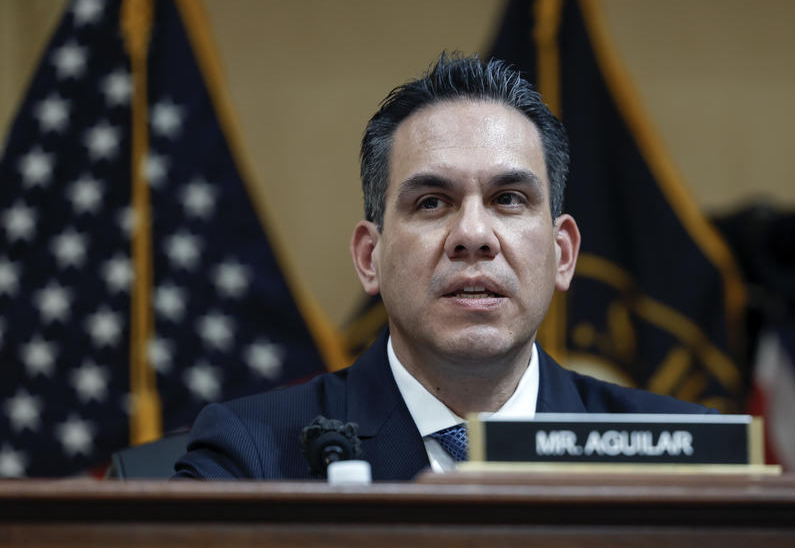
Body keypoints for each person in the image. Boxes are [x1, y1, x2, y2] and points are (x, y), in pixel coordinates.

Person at [174, 54, 707, 481]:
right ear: (369, 258)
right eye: (431, 202)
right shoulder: (250, 458)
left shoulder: (686, 455)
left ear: (563, 253)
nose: (473, 236)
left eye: (509, 199)